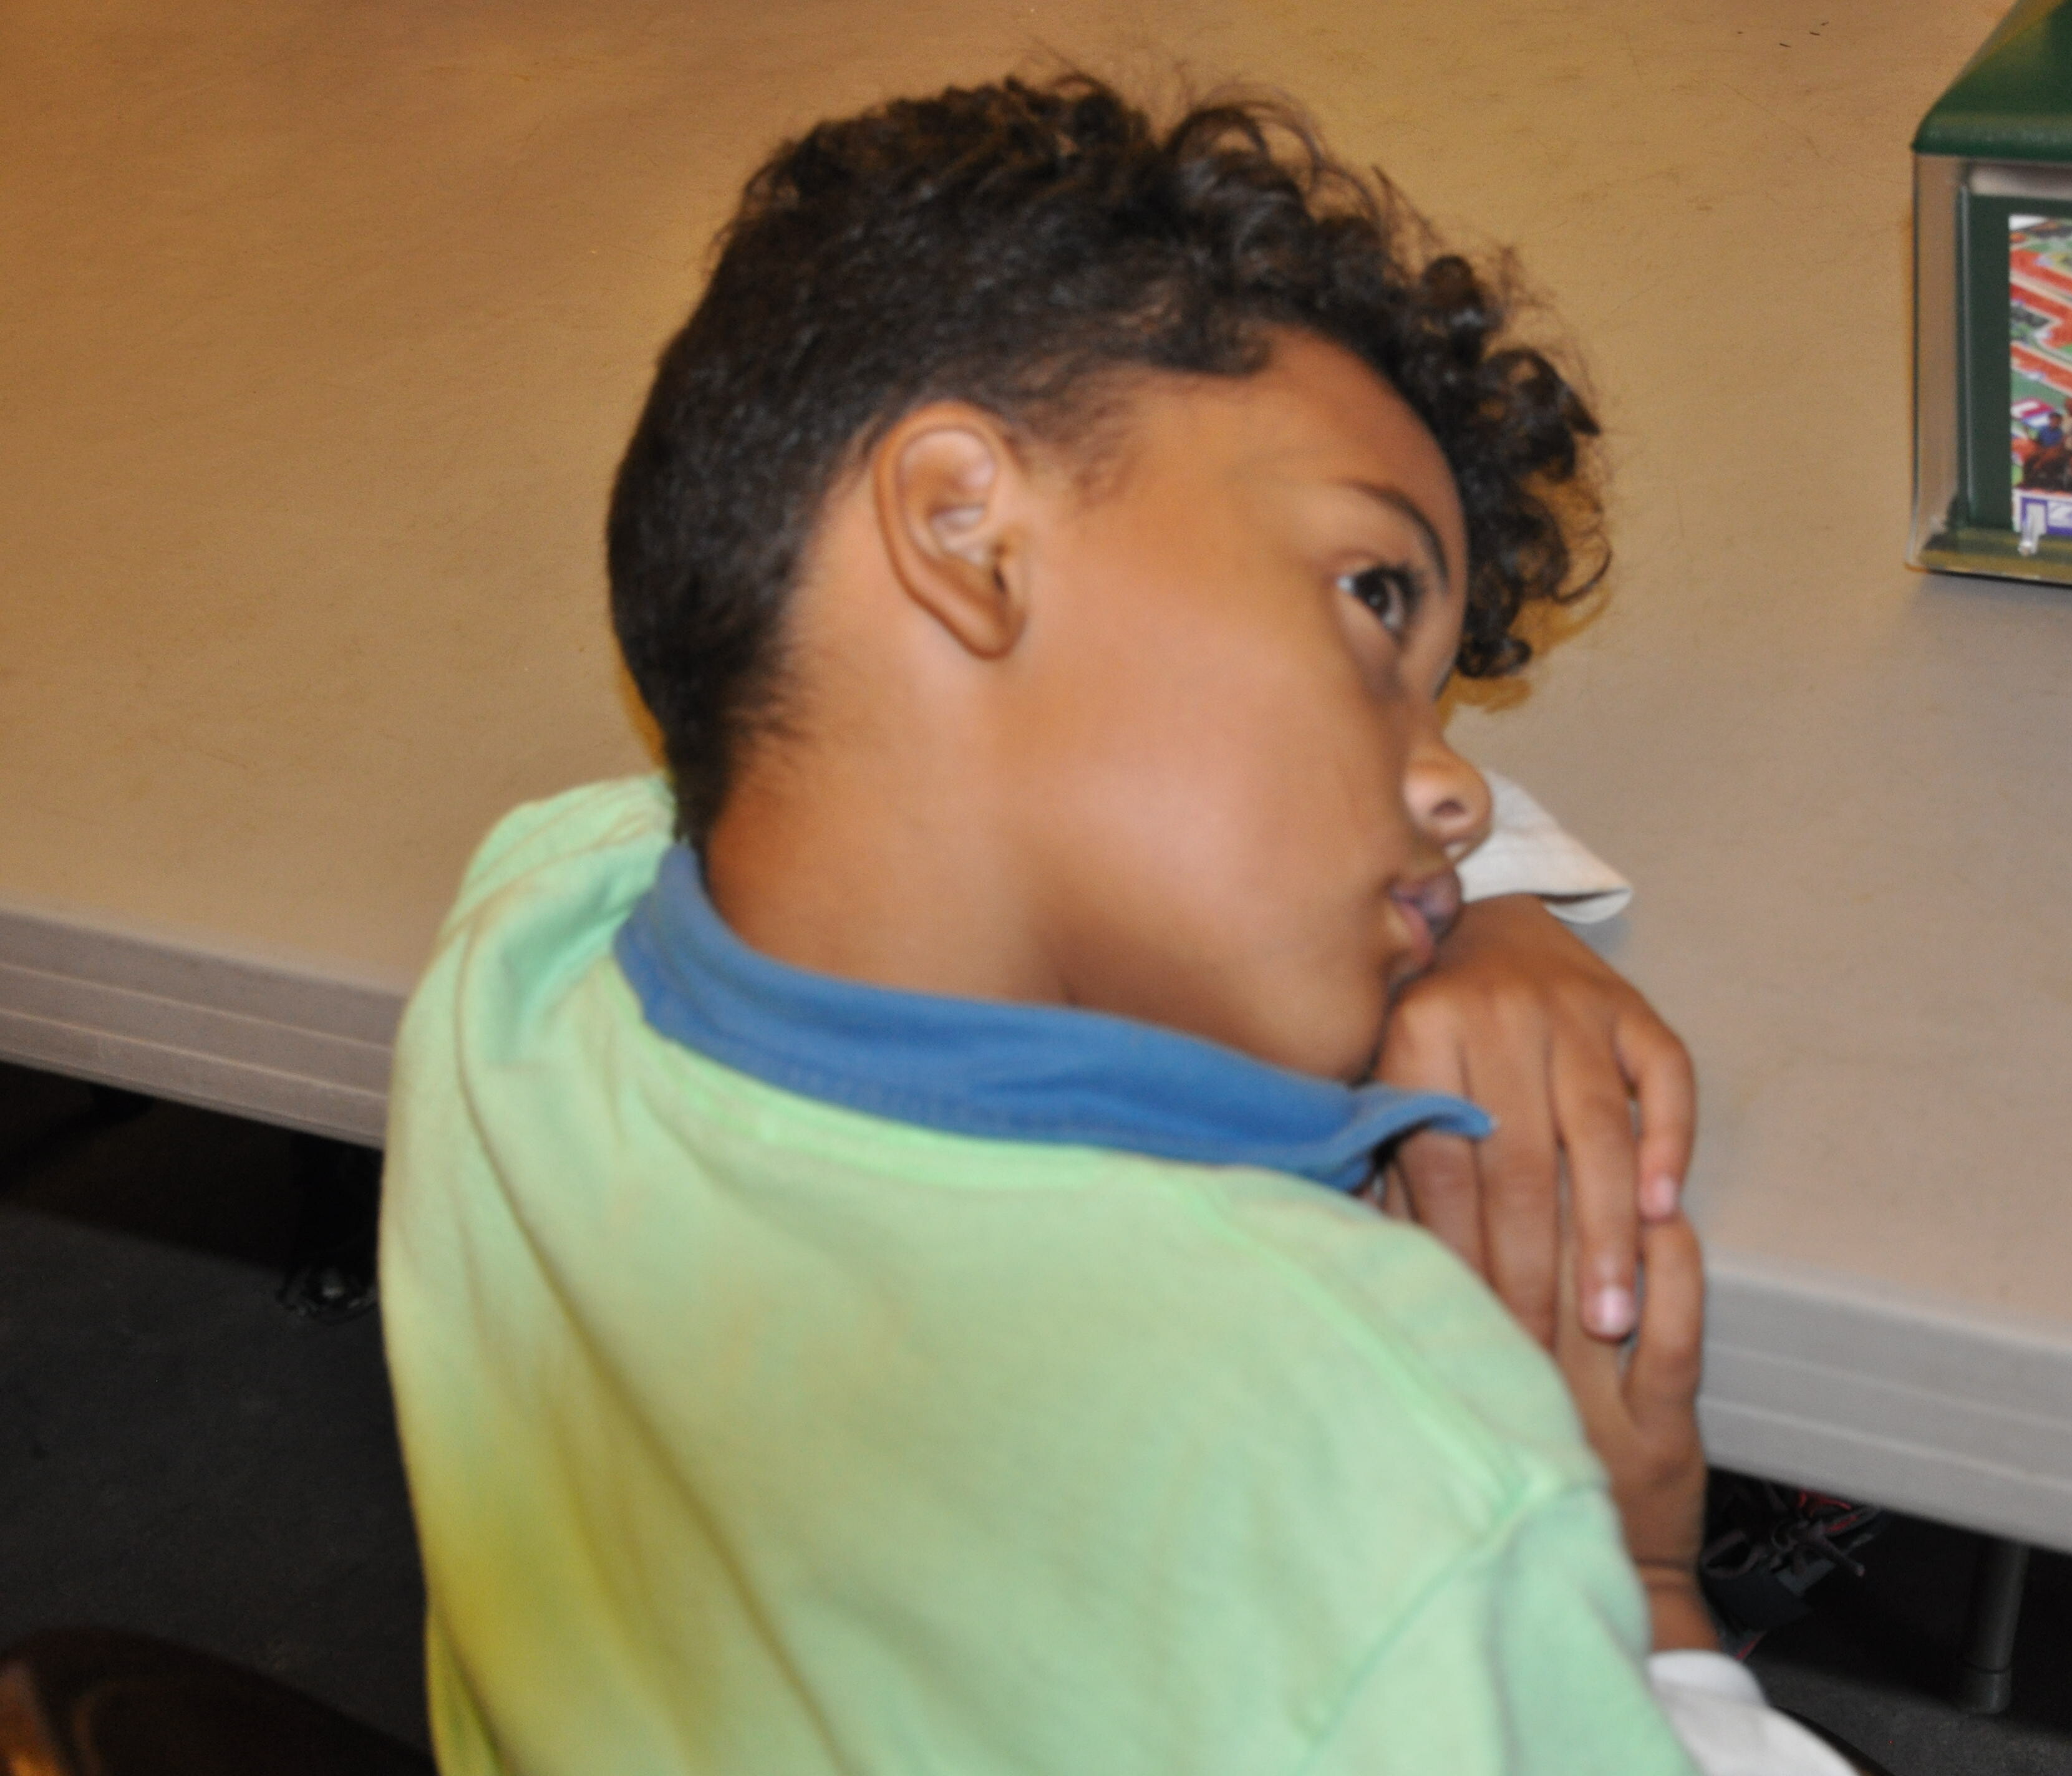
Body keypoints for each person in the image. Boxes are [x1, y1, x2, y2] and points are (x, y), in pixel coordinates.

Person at [380, 74, 1849, 1776]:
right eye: (1374, 598)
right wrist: (1644, 1586)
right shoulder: (1376, 1443)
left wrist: (1476, 900)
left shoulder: (523, 950)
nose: (1453, 789)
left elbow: (731, 784)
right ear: (964, 530)